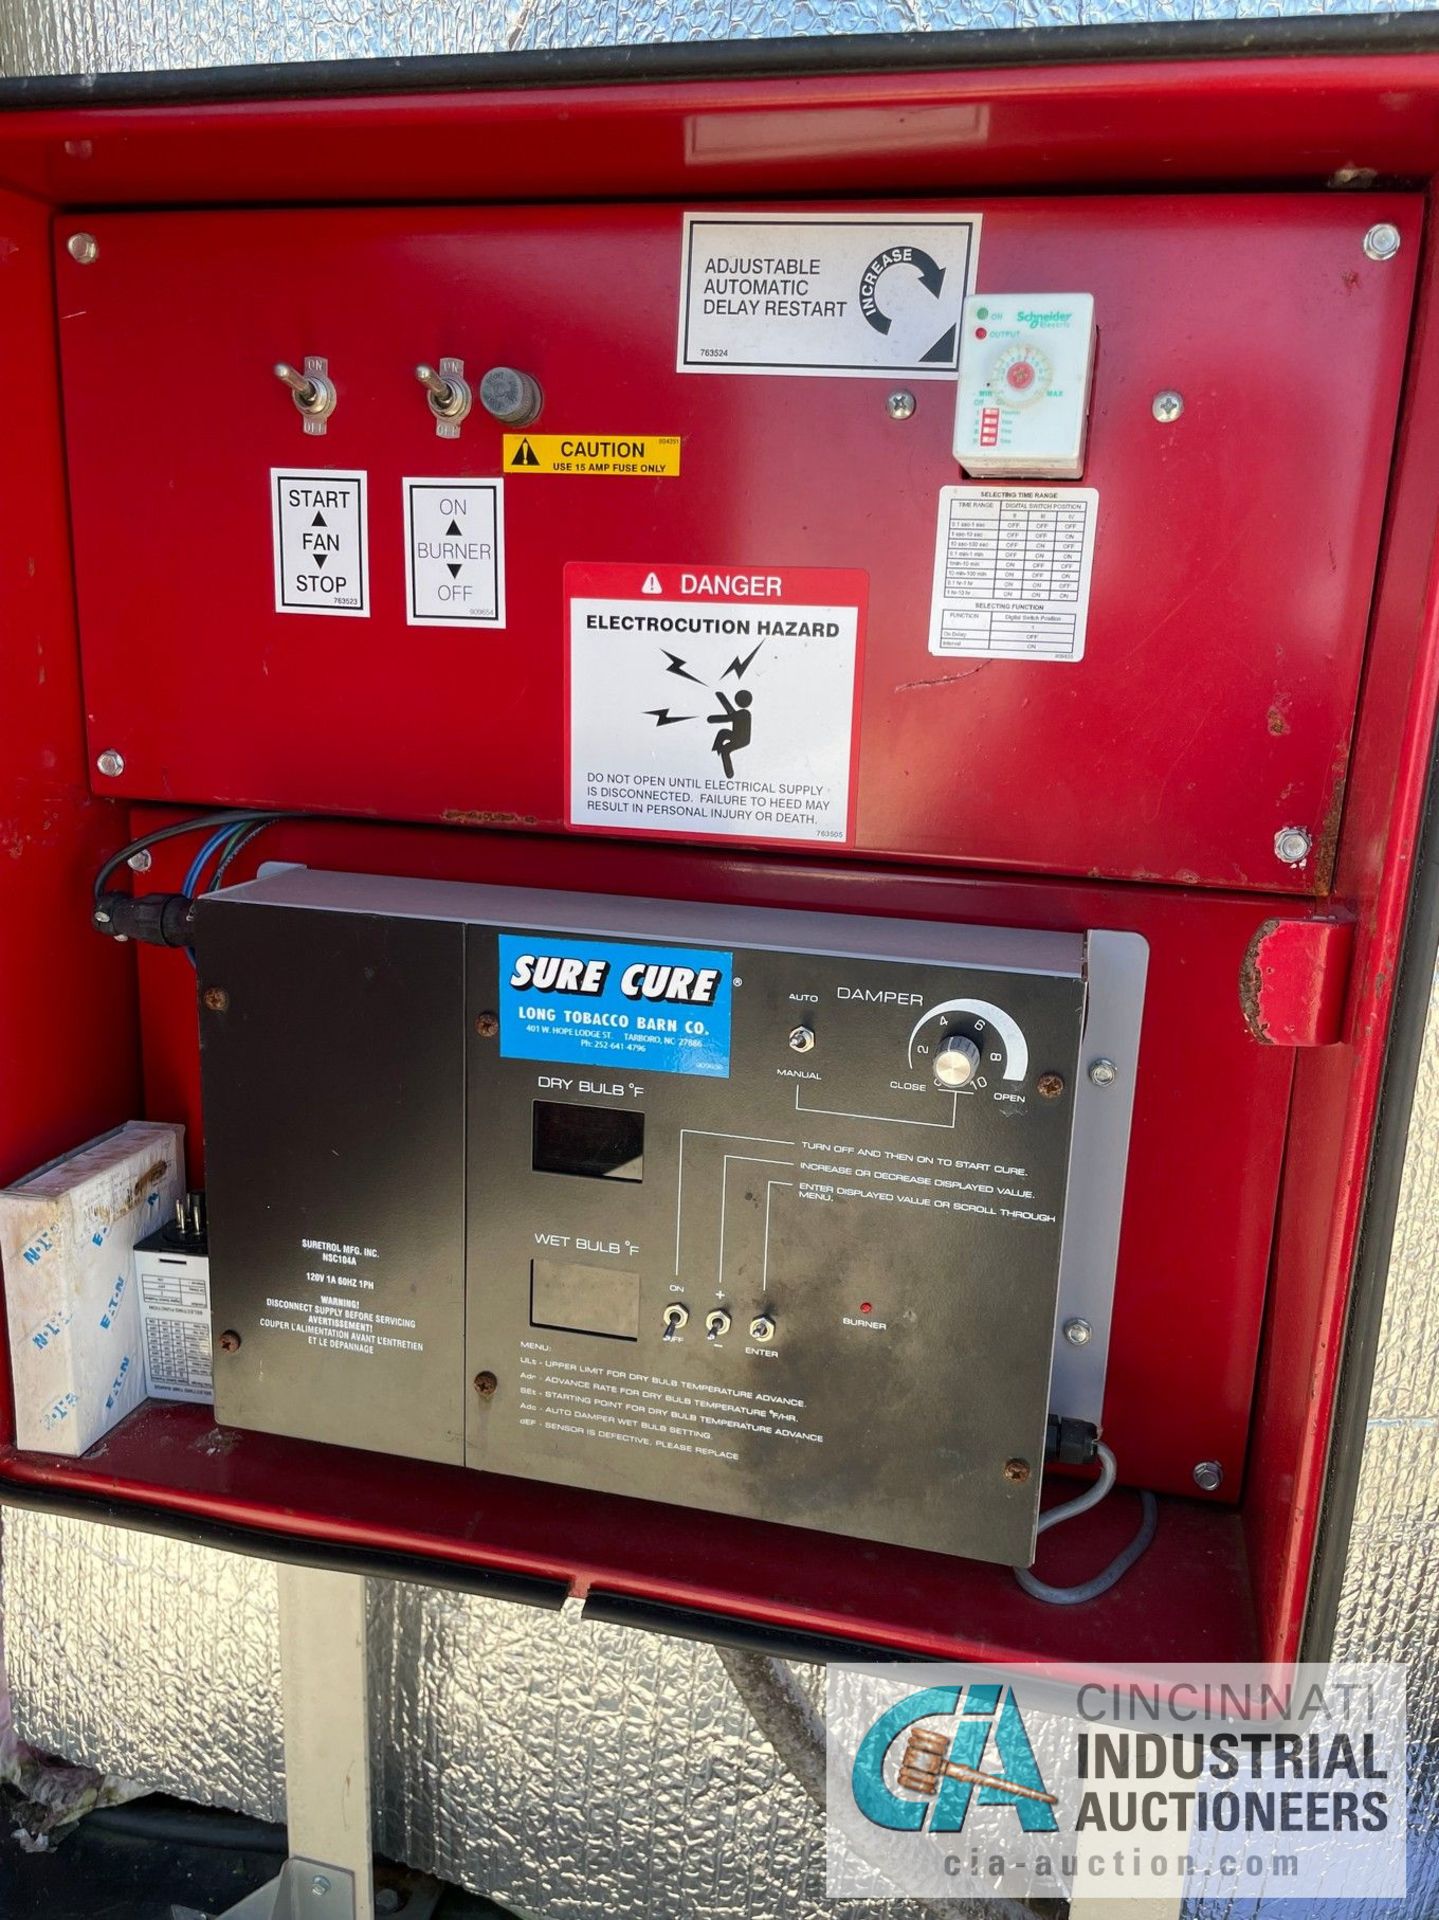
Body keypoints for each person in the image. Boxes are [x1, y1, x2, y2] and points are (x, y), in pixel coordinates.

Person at [709, 688, 753, 778]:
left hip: (741, 739)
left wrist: (711, 719)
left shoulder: (743, 714)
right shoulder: (744, 713)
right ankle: (717, 751)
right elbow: (731, 714)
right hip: (738, 737)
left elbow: (728, 717)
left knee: (725, 747)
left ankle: (729, 773)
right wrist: (722, 698)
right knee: (723, 735)